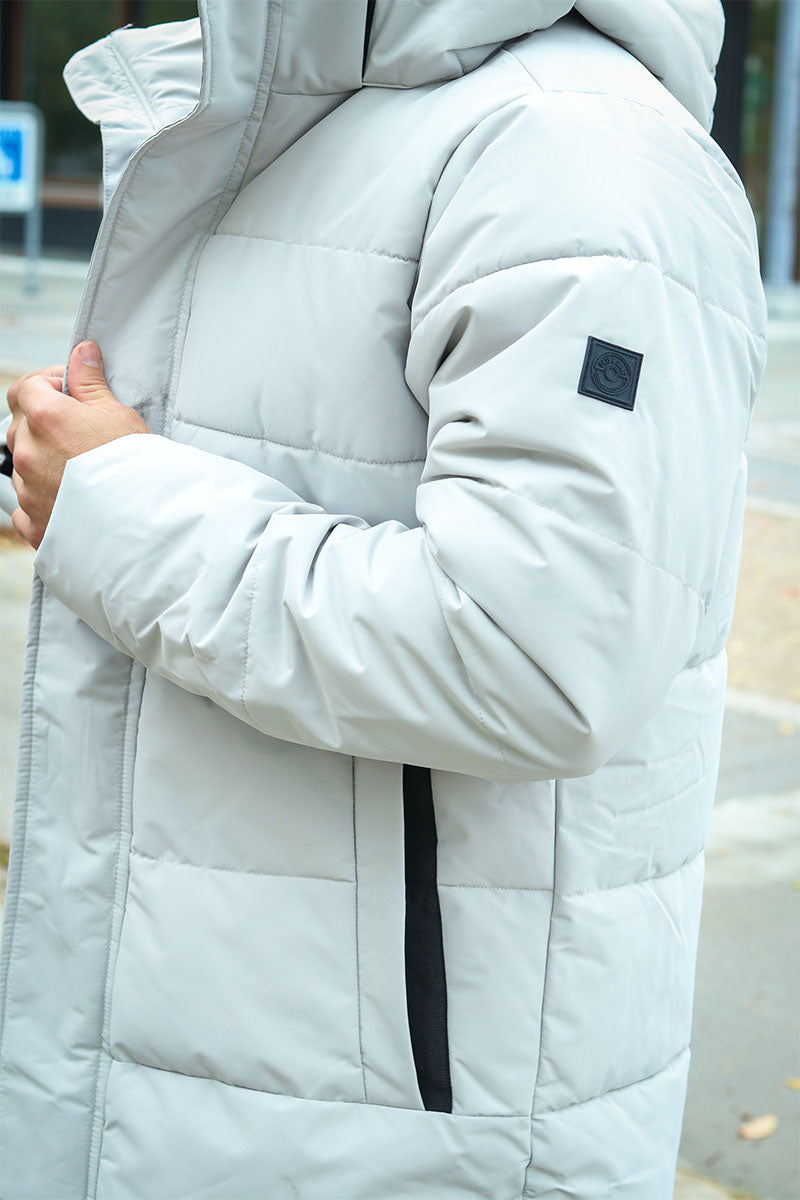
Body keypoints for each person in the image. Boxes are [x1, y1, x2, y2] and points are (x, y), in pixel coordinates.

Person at [0, 1, 766, 1197]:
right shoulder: (301, 117)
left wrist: (113, 501)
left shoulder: (580, 152)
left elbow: (538, 654)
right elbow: (263, 471)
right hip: (206, 1059)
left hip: (401, 1128)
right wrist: (68, 472)